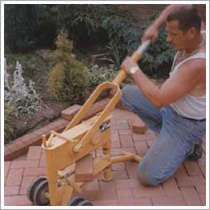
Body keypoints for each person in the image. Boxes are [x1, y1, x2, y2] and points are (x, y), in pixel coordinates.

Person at [120, 4, 206, 186]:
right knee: (127, 94)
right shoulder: (200, 28)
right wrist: (155, 26)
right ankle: (170, 140)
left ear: (191, 32)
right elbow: (178, 5)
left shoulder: (198, 65)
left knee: (146, 175)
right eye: (168, 33)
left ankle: (188, 146)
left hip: (185, 124)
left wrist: (134, 70)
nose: (167, 39)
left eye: (173, 35)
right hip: (171, 107)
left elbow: (158, 99)